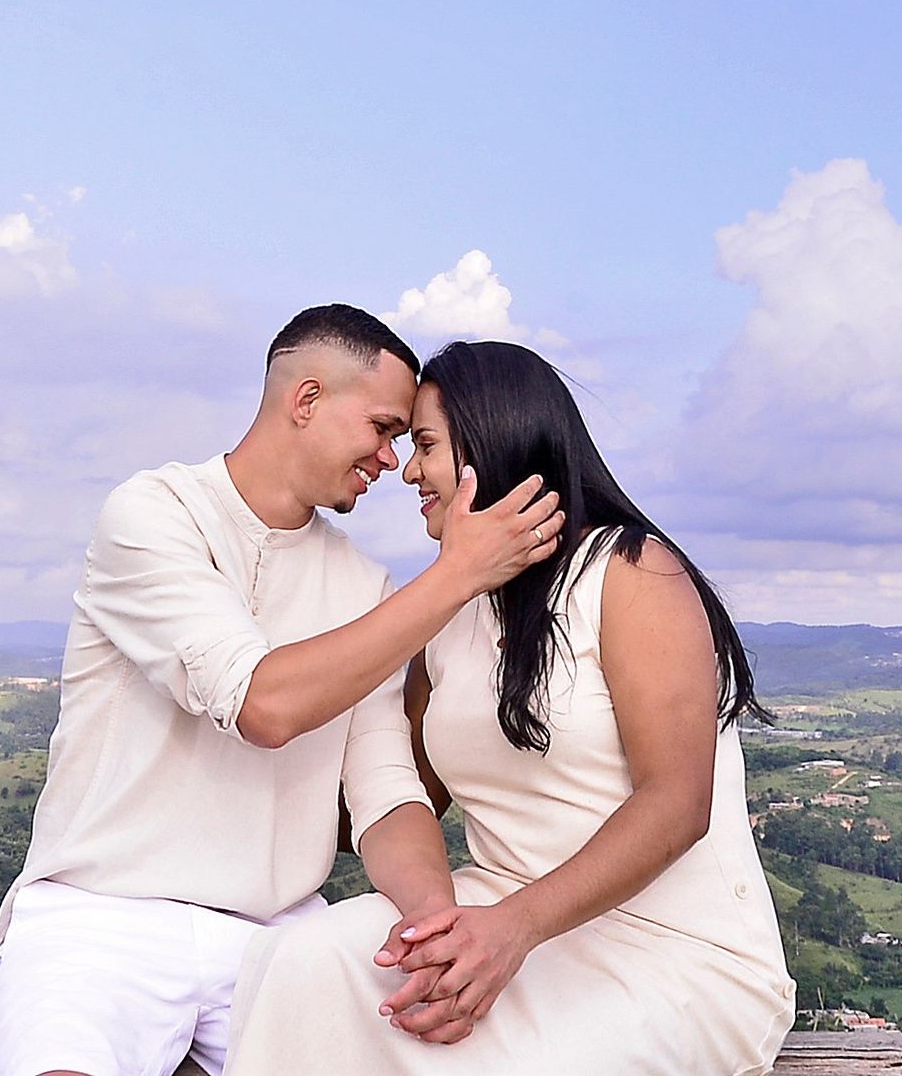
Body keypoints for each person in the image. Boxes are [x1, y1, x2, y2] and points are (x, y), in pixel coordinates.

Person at [0, 305, 564, 1076]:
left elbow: (388, 795)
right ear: (307, 399)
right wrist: (458, 574)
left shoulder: (368, 588)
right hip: (99, 916)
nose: (392, 460)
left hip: (276, 933)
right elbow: (263, 704)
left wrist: (435, 924)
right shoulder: (154, 514)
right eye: (384, 426)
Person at [222, 340, 796, 1075]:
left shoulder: (630, 570)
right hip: (495, 915)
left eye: (424, 443)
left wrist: (513, 929)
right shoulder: (447, 615)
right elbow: (395, 796)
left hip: (670, 948)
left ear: (489, 439)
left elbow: (679, 802)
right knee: (304, 963)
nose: (406, 469)